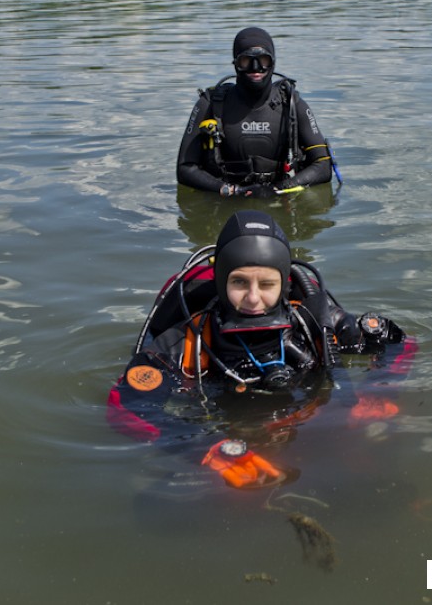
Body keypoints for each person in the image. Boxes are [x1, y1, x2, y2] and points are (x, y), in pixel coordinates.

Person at [107, 211, 415, 489]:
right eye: (239, 282)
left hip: (306, 431)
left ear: (283, 282)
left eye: (267, 284)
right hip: (222, 441)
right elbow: (124, 407)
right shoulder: (188, 341)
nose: (253, 298)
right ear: (220, 281)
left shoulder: (314, 324)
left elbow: (398, 342)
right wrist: (202, 448)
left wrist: (378, 390)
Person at [176, 27, 336, 197]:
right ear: (236, 64)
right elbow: (185, 169)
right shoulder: (209, 104)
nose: (255, 68)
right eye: (246, 60)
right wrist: (230, 190)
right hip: (226, 200)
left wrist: (280, 188)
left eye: (263, 60)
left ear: (273, 62)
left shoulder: (292, 105)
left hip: (279, 200)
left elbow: (323, 165)